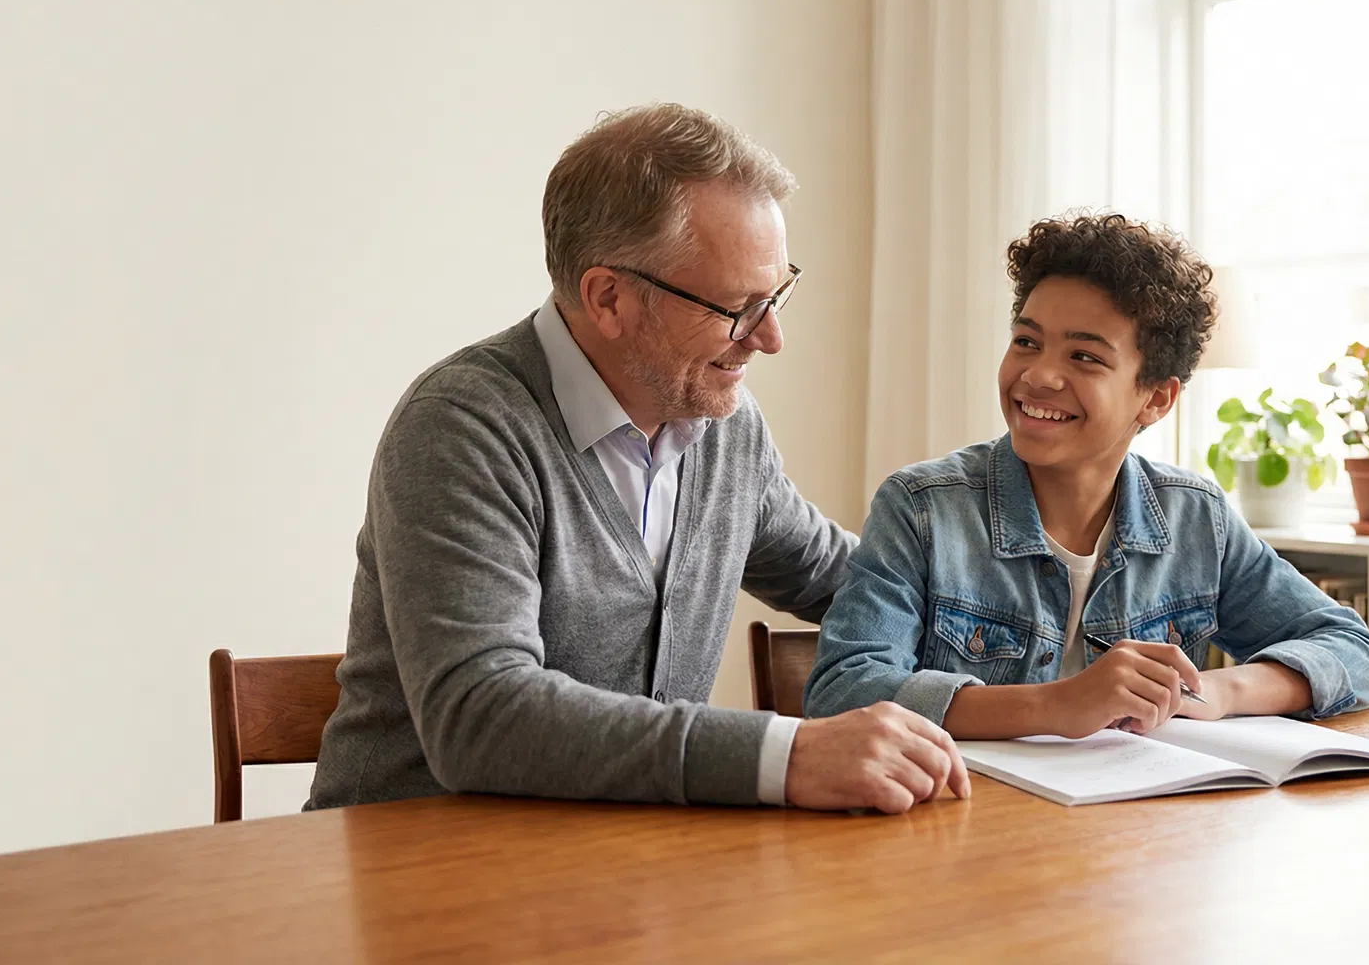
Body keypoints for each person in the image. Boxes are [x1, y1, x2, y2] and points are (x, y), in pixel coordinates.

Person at [309, 103, 969, 814]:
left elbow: (856, 583)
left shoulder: (725, 430)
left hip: (621, 875)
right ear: (608, 298)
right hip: (416, 878)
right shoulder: (462, 427)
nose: (770, 337)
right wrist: (788, 754)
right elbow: (482, 715)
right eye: (737, 307)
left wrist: (1063, 655)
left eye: (777, 293)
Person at [804, 214, 1369, 737]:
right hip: (968, 835)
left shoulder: (1194, 519)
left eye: (1084, 357)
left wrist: (1218, 691)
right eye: (1026, 342)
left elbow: (1357, 652)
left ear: (1156, 399)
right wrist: (1052, 705)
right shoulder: (923, 507)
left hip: (1135, 837)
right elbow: (842, 693)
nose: (1039, 376)